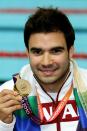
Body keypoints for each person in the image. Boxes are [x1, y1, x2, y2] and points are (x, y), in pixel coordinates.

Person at [0, 7, 87, 131]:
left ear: (71, 51)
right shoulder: (7, 95)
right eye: (37, 52)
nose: (46, 62)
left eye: (56, 51)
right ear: (27, 53)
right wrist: (2, 124)